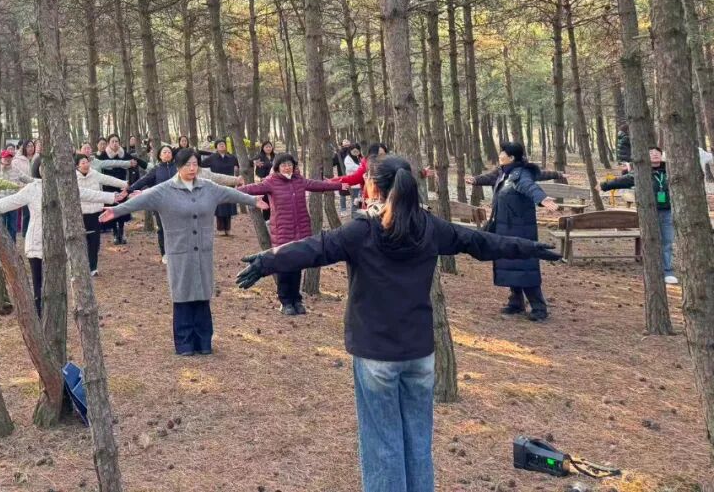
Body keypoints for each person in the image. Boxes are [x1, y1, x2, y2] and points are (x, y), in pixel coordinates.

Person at [236, 155, 561, 492]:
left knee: (382, 446)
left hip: (376, 355)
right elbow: (479, 242)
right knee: (418, 443)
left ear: (373, 186)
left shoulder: (363, 230)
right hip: (419, 354)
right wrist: (529, 247)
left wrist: (268, 260)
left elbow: (315, 248)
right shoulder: (429, 226)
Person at [100, 148, 268, 355]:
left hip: (203, 251)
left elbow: (231, 193)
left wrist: (253, 200)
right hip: (179, 251)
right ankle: (184, 343)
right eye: (187, 164)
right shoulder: (164, 190)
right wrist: (115, 210)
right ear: (178, 166)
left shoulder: (208, 187)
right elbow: (139, 201)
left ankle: (204, 342)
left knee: (202, 295)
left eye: (195, 164)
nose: (192, 168)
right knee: (182, 296)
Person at [0, 162, 112, 314]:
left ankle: (54, 315)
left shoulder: (64, 186)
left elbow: (88, 193)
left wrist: (113, 196)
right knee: (39, 284)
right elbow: (10, 202)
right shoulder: (32, 188)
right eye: (44, 166)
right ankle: (39, 315)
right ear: (38, 170)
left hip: (58, 245)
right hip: (36, 244)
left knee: (56, 284)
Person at [238, 153, 343, 315]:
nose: (287, 167)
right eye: (283, 165)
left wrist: (339, 186)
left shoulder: (299, 180)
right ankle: (285, 302)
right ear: (277, 167)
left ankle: (297, 300)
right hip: (282, 233)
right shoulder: (271, 182)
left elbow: (318, 185)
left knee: (297, 266)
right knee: (283, 267)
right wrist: (231, 192)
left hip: (301, 232)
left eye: (289, 164)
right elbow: (252, 189)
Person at [466, 141, 560, 321]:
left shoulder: (519, 175)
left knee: (525, 267)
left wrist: (542, 199)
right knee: (510, 264)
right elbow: (490, 177)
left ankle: (539, 308)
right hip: (506, 228)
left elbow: (529, 186)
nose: (500, 154)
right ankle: (516, 302)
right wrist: (476, 180)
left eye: (503, 152)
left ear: (511, 157)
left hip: (520, 230)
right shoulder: (503, 172)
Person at [600, 146, 677, 285]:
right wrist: (604, 185)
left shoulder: (670, 170)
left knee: (667, 242)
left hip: (667, 211)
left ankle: (667, 271)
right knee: (651, 241)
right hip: (649, 212)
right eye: (651, 153)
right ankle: (652, 270)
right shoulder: (641, 170)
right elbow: (623, 180)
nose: (655, 155)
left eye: (657, 153)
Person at [75, 153, 128, 275]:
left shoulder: (94, 174)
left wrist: (125, 184)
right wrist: (111, 197)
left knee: (95, 241)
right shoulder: (73, 179)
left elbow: (108, 180)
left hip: (95, 213)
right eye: (83, 163)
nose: (86, 165)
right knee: (82, 242)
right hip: (81, 214)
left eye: (87, 162)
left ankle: (93, 267)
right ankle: (81, 267)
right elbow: (87, 194)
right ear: (77, 166)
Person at [128, 144, 177, 263]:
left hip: (177, 203)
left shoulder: (177, 168)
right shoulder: (156, 169)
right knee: (162, 228)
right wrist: (130, 189)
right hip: (160, 204)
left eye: (169, 152)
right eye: (164, 152)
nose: (167, 154)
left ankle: (176, 252)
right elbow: (144, 180)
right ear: (160, 155)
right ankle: (164, 253)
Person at [96, 134, 135, 244]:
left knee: (121, 209)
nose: (115, 143)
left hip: (122, 186)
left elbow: (134, 164)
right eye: (112, 141)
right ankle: (115, 233)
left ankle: (122, 232)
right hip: (108, 187)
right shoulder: (103, 155)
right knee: (111, 210)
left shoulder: (123, 154)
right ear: (108, 143)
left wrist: (130, 184)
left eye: (116, 141)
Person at [201, 139, 239, 235]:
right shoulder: (212, 158)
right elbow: (200, 164)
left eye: (223, 144)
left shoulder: (231, 157)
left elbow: (242, 163)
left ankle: (228, 229)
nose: (222, 145)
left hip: (229, 184)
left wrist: (253, 163)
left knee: (228, 207)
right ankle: (221, 229)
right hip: (217, 185)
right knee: (220, 207)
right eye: (220, 144)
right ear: (216, 147)